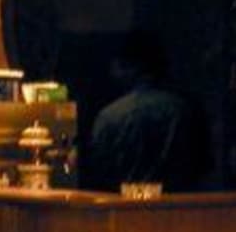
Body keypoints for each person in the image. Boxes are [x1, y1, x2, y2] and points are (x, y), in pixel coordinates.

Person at [84, 29, 210, 191]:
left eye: (116, 66)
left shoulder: (111, 115)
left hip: (124, 201)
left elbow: (100, 167)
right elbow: (201, 165)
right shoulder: (185, 110)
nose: (112, 72)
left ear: (130, 67)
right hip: (176, 200)